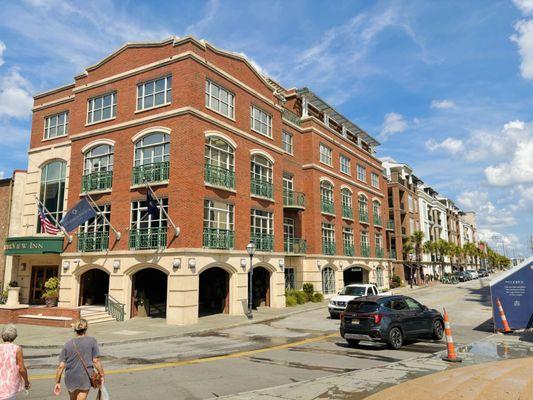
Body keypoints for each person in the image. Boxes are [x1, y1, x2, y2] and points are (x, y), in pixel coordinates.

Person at [54, 319, 104, 400]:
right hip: (84, 377)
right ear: (86, 328)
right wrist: (102, 374)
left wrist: (57, 382)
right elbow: (96, 360)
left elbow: (61, 366)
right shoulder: (92, 341)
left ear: (75, 330)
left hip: (70, 378)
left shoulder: (68, 344)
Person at [0, 324, 31, 400]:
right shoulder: (17, 349)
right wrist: (26, 381)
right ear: (15, 336)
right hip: (9, 387)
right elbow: (21, 369)